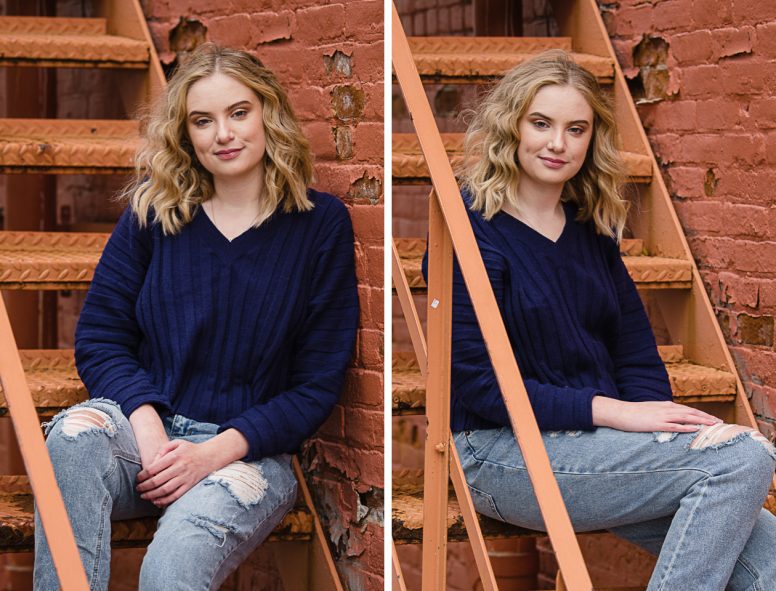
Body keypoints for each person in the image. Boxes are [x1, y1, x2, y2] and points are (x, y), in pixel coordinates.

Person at [434, 50, 776, 590]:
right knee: (741, 458)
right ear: (512, 125)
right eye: (541, 123)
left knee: (771, 556)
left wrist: (653, 420)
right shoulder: (470, 228)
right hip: (501, 450)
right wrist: (615, 413)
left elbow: (633, 351)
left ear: (591, 139)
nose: (557, 144)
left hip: (595, 446)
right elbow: (476, 385)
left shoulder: (591, 227)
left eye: (576, 129)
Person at [33, 43, 359, 590]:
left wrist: (210, 453)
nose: (223, 134)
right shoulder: (154, 212)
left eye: (238, 113)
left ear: (268, 112)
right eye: (202, 121)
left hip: (246, 455)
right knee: (70, 438)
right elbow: (99, 337)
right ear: (186, 134)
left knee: (170, 569)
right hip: (145, 437)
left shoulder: (319, 225)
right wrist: (146, 423)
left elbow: (316, 385)